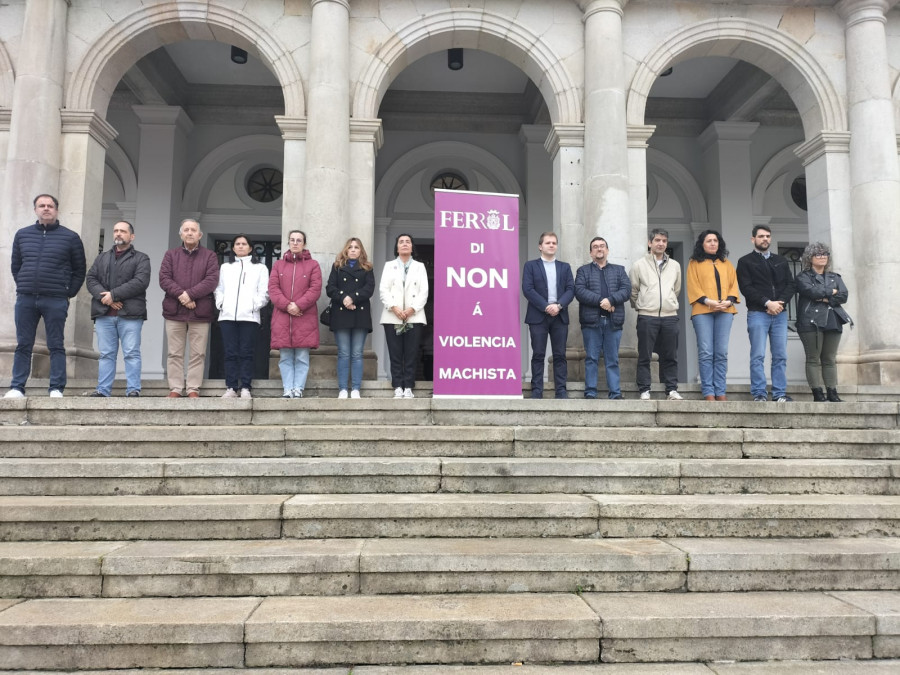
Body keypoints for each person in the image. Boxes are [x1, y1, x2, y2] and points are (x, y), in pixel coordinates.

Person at [5, 194, 86, 399]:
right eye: (42, 205)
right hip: (26, 297)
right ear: (35, 210)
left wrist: (68, 292)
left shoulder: (70, 237)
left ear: (56, 210)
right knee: (23, 343)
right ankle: (17, 387)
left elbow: (79, 270)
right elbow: (16, 266)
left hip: (56, 299)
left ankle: (56, 388)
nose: (46, 208)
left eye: (50, 206)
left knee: (56, 344)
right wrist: (24, 283)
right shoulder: (22, 235)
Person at [84, 220, 151, 397]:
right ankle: (103, 390)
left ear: (132, 236)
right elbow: (91, 279)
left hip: (130, 315)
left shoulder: (141, 258)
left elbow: (140, 282)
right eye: (115, 231)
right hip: (104, 314)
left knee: (131, 353)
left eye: (122, 231)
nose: (118, 234)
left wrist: (113, 295)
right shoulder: (102, 257)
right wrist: (106, 298)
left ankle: (133, 390)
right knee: (106, 354)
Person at [158, 218, 219, 398]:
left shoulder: (210, 256)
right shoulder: (171, 255)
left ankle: (193, 388)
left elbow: (211, 280)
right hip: (174, 312)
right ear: (181, 234)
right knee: (174, 353)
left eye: (193, 230)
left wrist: (190, 295)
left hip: (200, 312)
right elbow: (164, 279)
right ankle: (176, 388)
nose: (190, 233)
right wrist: (183, 297)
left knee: (198, 353)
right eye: (186, 230)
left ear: (200, 235)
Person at [736, 225, 796, 402]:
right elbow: (746, 288)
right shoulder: (745, 261)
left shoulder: (781, 261)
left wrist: (780, 303)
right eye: (761, 236)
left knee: (780, 356)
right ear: (753, 239)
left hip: (779, 314)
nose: (765, 239)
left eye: (768, 236)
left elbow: (790, 285)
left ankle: (779, 393)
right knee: (758, 355)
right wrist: (767, 302)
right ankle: (759, 393)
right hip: (758, 313)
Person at [574, 237, 631, 400]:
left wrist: (611, 300)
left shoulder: (619, 270)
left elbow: (626, 290)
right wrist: (602, 302)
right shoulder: (583, 271)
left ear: (607, 250)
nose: (599, 249)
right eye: (595, 247)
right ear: (591, 252)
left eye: (602, 246)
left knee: (612, 359)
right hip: (591, 322)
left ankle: (615, 392)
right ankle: (590, 391)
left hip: (613, 322)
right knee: (591, 358)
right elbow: (579, 291)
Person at [686, 230, 740, 402]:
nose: (712, 243)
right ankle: (709, 391)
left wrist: (729, 301)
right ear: (702, 244)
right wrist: (707, 300)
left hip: (725, 311)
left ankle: (720, 392)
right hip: (703, 311)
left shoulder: (726, 263)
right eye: (708, 241)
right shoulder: (694, 263)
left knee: (721, 353)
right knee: (706, 352)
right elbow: (692, 286)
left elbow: (733, 285)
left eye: (715, 240)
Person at [629, 228, 683, 401]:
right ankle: (644, 389)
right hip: (647, 315)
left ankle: (671, 390)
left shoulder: (675, 265)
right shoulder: (639, 265)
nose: (661, 244)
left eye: (664, 241)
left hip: (669, 316)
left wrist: (669, 303)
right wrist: (642, 305)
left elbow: (677, 289)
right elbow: (633, 290)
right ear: (650, 243)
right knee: (645, 354)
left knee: (671, 355)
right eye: (657, 240)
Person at [214, 234, 270, 399]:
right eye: (237, 244)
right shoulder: (225, 267)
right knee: (230, 352)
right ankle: (231, 387)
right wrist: (221, 304)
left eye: (244, 244)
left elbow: (264, 292)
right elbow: (219, 288)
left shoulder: (260, 268)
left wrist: (254, 306)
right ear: (233, 248)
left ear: (250, 248)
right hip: (227, 316)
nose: (240, 246)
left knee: (246, 352)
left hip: (249, 317)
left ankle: (245, 386)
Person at [795, 242, 852, 402]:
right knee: (813, 358)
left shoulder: (835, 277)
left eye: (825, 254)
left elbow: (844, 296)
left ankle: (832, 392)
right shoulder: (803, 276)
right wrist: (832, 292)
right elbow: (811, 292)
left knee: (829, 358)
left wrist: (824, 297)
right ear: (809, 258)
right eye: (818, 254)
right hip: (810, 321)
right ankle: (817, 393)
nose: (822, 257)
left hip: (833, 319)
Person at [522, 231, 575, 399]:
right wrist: (546, 306)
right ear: (540, 246)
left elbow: (570, 289)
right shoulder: (531, 266)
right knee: (538, 354)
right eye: (548, 243)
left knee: (560, 355)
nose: (551, 245)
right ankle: (537, 391)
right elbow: (528, 289)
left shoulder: (564, 267)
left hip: (559, 315)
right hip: (538, 316)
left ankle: (561, 391)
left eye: (554, 243)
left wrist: (558, 306)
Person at [269, 229, 321, 398]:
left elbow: (315, 289)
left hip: (304, 318)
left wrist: (298, 305)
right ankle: (287, 389)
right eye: (292, 240)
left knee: (301, 357)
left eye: (299, 240)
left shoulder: (313, 265)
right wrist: (287, 305)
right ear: (288, 242)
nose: (295, 243)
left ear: (304, 244)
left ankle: (298, 388)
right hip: (282, 318)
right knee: (284, 357)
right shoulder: (278, 265)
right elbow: (273, 289)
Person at [379, 233, 429, 398]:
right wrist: (394, 308)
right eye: (401, 242)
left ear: (412, 246)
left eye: (408, 242)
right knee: (395, 353)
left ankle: (408, 386)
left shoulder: (419, 267)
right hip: (392, 315)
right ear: (397, 247)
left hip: (414, 316)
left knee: (411, 353)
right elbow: (383, 290)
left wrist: (412, 309)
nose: (405, 244)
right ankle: (397, 386)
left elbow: (424, 291)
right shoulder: (389, 265)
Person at [326, 237, 375, 399]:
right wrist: (344, 299)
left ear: (361, 251)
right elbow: (330, 288)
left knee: (356, 354)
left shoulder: (367, 268)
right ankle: (342, 389)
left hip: (360, 314)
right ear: (346, 250)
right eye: (350, 247)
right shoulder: (338, 267)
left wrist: (353, 297)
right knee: (344, 353)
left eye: (356, 247)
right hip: (341, 315)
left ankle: (355, 388)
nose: (353, 250)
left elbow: (369, 289)